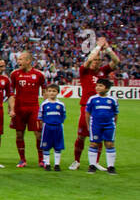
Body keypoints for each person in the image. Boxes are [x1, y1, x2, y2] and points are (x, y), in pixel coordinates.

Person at [72, 37, 120, 169]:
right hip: (86, 107)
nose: (96, 62)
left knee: (99, 137)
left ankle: (95, 162)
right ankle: (77, 161)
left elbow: (116, 61)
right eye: (94, 59)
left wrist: (108, 49)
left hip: (101, 108)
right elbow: (87, 61)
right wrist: (98, 47)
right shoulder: (85, 71)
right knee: (81, 135)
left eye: (98, 60)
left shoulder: (103, 71)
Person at [9, 51, 47, 168]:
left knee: (38, 134)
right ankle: (22, 159)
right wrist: (11, 108)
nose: (18, 61)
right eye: (18, 59)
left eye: (21, 59)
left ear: (28, 61)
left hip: (33, 108)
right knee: (19, 134)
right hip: (19, 109)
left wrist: (46, 106)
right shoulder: (14, 74)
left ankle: (41, 160)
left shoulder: (39, 75)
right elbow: (11, 93)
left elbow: (45, 90)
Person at [85, 77, 119, 174]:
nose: (98, 87)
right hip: (95, 125)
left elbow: (116, 114)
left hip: (109, 125)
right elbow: (87, 113)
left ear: (107, 88)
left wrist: (114, 125)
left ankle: (111, 167)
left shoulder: (112, 100)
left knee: (109, 144)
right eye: (97, 85)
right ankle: (92, 165)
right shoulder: (92, 99)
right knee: (94, 144)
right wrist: (88, 125)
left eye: (101, 86)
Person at [38, 84, 66, 171]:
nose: (52, 93)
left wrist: (59, 122)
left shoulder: (61, 104)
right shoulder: (44, 104)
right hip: (47, 127)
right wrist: (42, 126)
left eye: (54, 91)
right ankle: (47, 164)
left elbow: (63, 115)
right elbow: (40, 117)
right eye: (49, 91)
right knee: (46, 146)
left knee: (58, 146)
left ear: (58, 92)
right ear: (46, 92)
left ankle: (57, 164)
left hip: (58, 127)